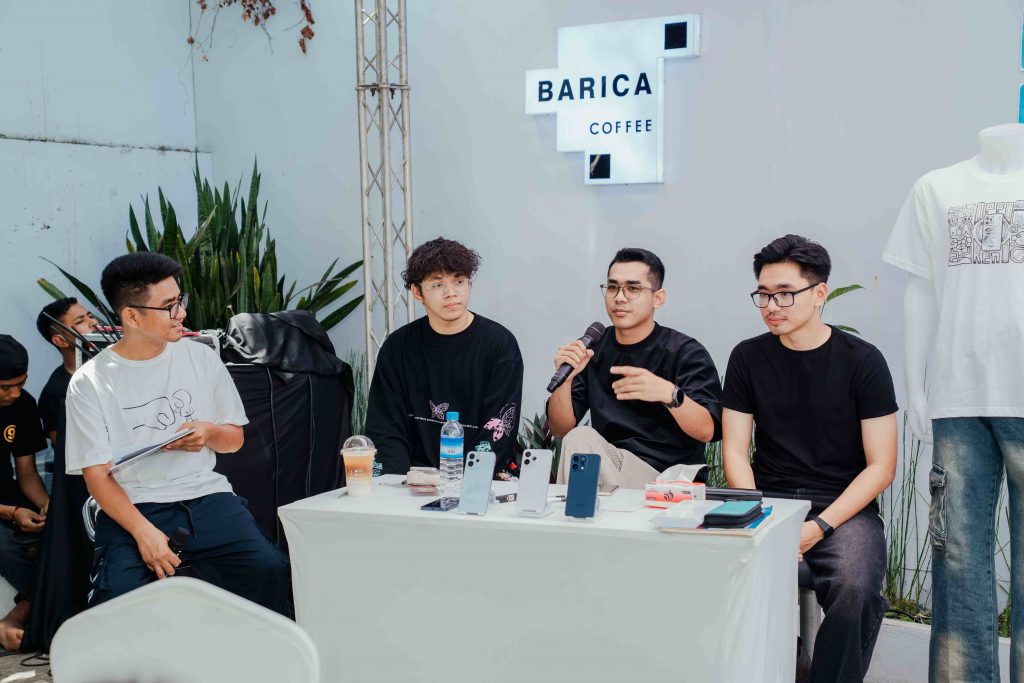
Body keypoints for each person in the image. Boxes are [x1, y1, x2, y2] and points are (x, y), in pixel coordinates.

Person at [64, 253, 290, 615]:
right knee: (117, 604)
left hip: (206, 496)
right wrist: (144, 534)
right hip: (134, 505)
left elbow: (234, 440)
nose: (181, 313)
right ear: (131, 316)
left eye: (179, 300)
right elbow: (96, 476)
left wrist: (208, 432)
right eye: (168, 306)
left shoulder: (201, 358)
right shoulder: (90, 382)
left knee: (270, 569)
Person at [721, 234, 897, 682]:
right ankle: (790, 665)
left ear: (820, 293)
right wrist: (759, 517)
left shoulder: (863, 361)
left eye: (784, 293)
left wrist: (817, 527)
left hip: (843, 508)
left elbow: (881, 466)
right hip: (768, 501)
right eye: (763, 294)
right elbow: (735, 451)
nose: (771, 306)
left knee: (854, 588)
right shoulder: (747, 358)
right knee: (722, 578)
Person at [547, 248, 722, 489]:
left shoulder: (685, 352)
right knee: (580, 438)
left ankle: (593, 513)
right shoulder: (592, 349)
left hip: (669, 478)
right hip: (612, 466)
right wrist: (565, 382)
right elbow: (560, 429)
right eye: (612, 287)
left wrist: (668, 394)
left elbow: (707, 431)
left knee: (585, 449)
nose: (620, 297)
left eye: (633, 289)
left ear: (658, 298)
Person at [366, 237, 524, 477]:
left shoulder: (499, 345)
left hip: (482, 478)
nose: (451, 293)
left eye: (459, 281)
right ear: (417, 292)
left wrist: (466, 482)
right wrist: (396, 484)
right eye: (438, 284)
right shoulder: (398, 347)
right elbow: (385, 429)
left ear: (469, 284)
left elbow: (498, 431)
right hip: (413, 478)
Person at [0, 335, 50, 650]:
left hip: (11, 495)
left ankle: (20, 615)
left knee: (64, 530)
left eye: (21, 384)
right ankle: (52, 607)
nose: (15, 393)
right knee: (4, 544)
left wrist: (46, 505)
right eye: (6, 387)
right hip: (7, 510)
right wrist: (11, 513)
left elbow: (28, 473)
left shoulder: (23, 404)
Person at [36, 298, 100, 444]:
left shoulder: (117, 366)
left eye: (90, 316)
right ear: (61, 341)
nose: (94, 322)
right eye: (80, 321)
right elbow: (65, 449)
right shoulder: (56, 394)